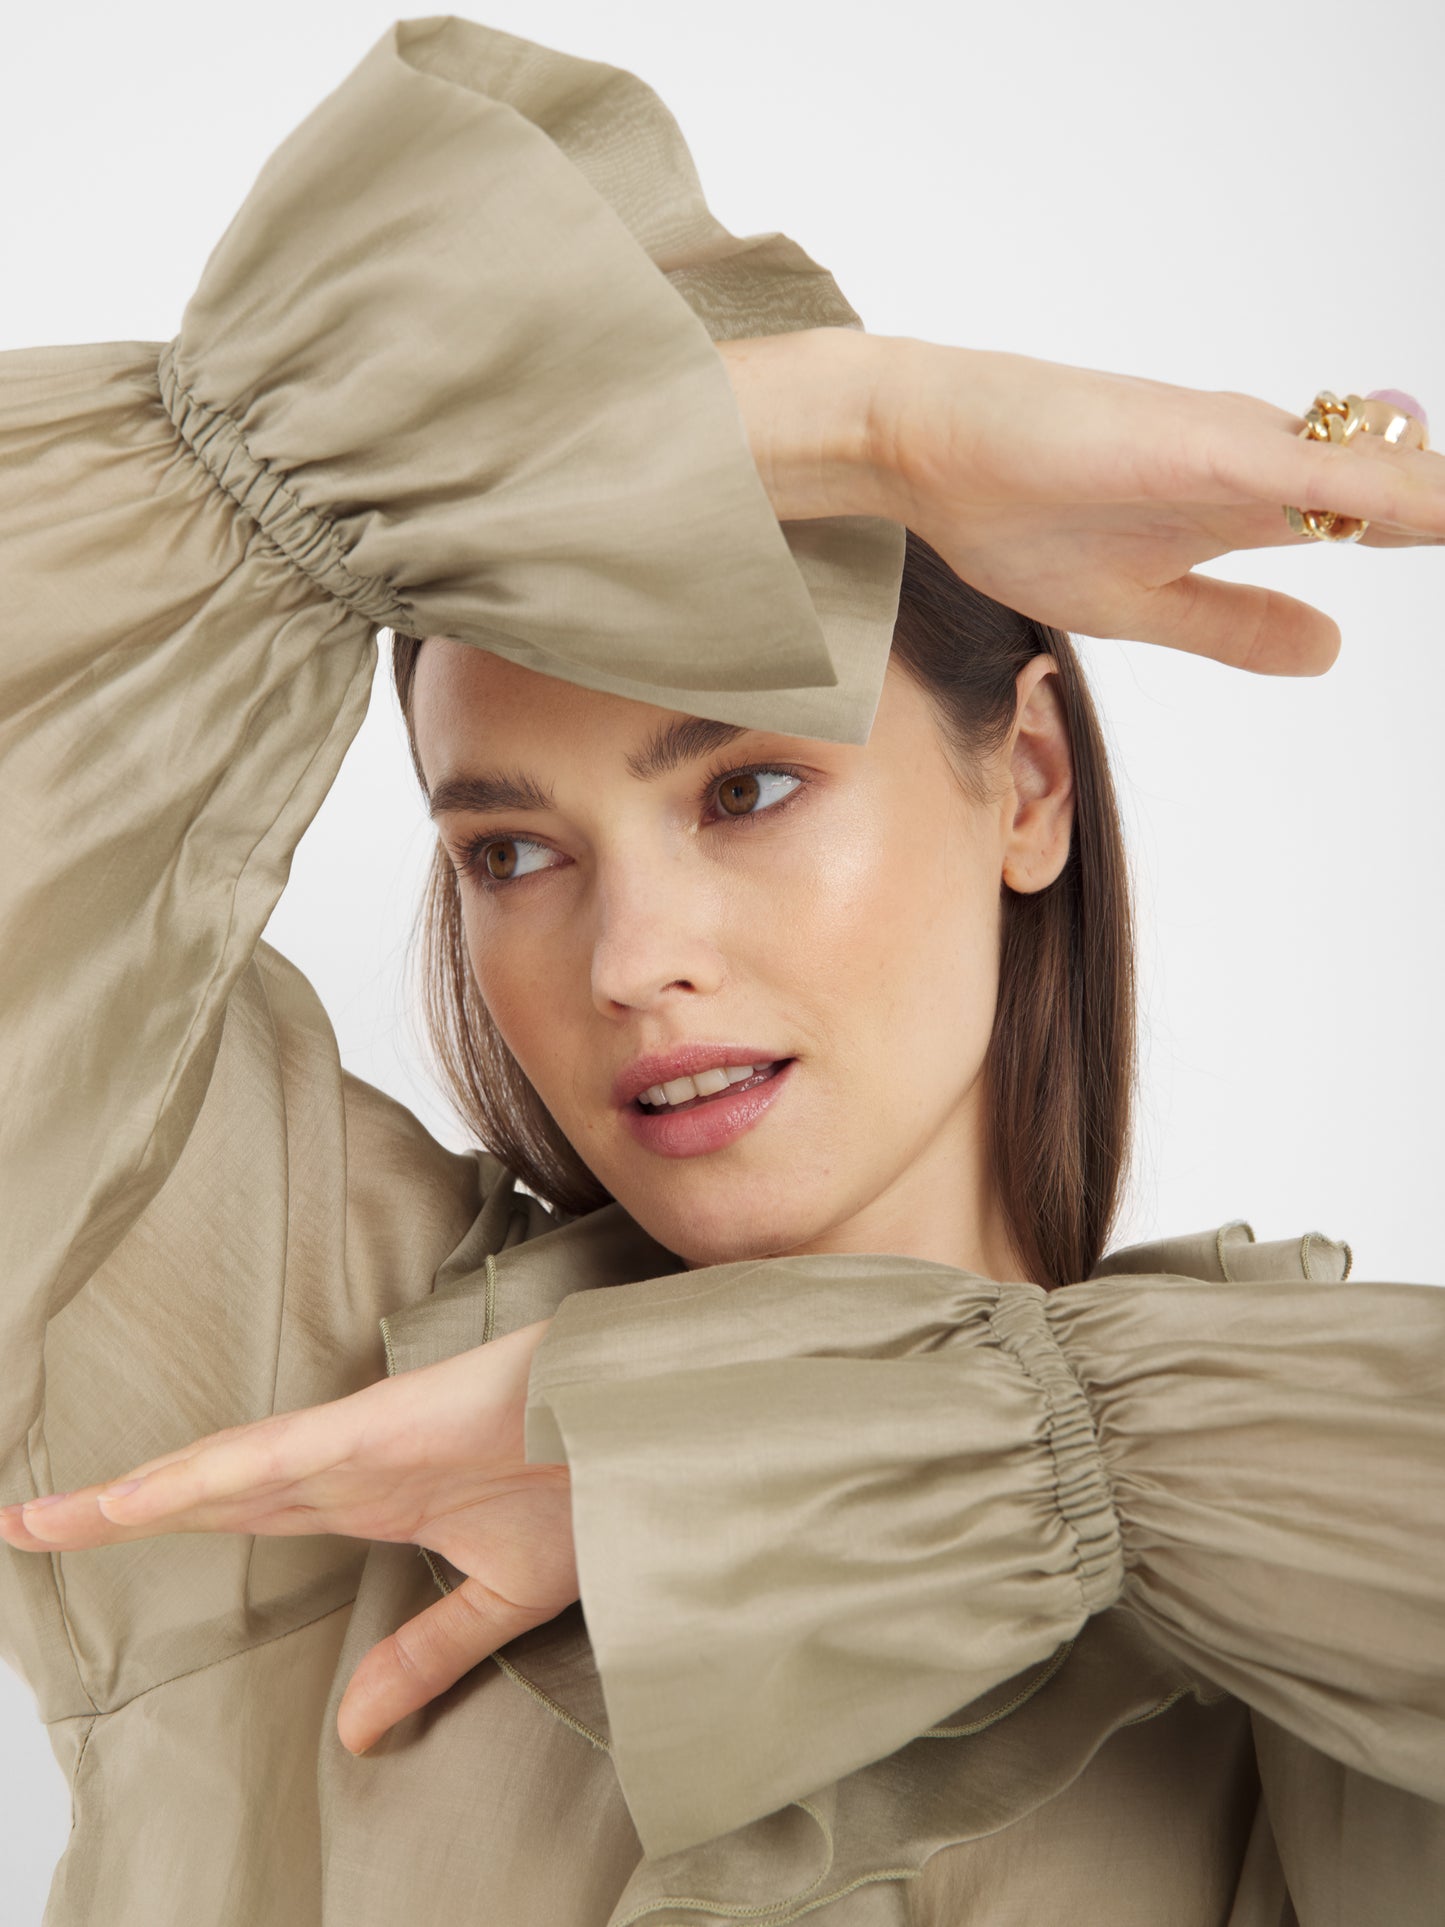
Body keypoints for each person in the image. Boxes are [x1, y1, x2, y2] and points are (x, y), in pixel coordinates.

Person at [0, 14, 1441, 1926]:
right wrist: (845, 426)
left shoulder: (1283, 1549)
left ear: (1022, 784)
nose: (631, 959)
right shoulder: (302, 1391)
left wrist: (810, 1465)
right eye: (509, 852)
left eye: (748, 786)